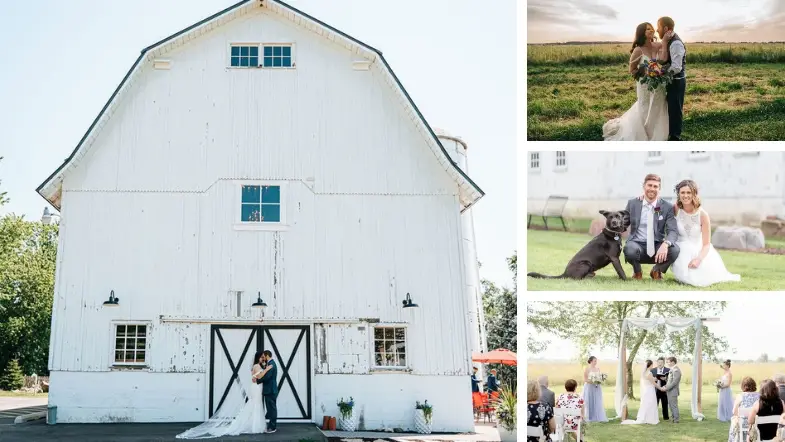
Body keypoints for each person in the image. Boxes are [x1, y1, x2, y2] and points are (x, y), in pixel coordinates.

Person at [176, 351, 269, 438]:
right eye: (261, 357)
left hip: (257, 386)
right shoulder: (256, 365)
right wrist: (266, 369)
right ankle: (254, 425)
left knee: (256, 404)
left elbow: (257, 376)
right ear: (258, 358)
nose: (263, 359)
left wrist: (264, 368)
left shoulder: (257, 365)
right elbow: (260, 376)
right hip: (256, 387)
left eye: (263, 358)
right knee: (255, 404)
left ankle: (253, 424)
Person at [602, 23, 669, 141]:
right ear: (642, 32)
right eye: (648, 29)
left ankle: (658, 134)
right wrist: (645, 74)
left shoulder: (657, 45)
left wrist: (664, 42)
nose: (652, 30)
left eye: (652, 28)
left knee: (659, 106)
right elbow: (632, 70)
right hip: (645, 85)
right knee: (645, 107)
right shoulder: (638, 50)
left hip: (658, 84)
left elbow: (663, 59)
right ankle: (644, 134)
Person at [669, 180, 741, 287]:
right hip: (680, 248)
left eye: (688, 193)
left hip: (698, 249)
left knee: (698, 279)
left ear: (694, 194)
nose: (685, 196)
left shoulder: (703, 215)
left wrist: (698, 259)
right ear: (678, 194)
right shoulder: (676, 209)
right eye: (682, 192)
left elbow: (707, 244)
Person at [624, 174, 680, 280]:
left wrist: (665, 244)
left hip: (657, 245)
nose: (652, 189)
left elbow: (672, 230)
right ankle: (637, 272)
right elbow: (624, 223)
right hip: (636, 244)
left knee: (675, 250)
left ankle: (656, 270)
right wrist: (610, 229)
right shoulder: (633, 203)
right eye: (649, 185)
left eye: (655, 186)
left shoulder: (667, 207)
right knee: (629, 249)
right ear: (644, 186)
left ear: (659, 189)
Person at [657, 17, 687, 141]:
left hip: (677, 81)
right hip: (671, 80)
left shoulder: (676, 43)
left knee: (675, 109)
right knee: (670, 108)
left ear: (665, 28)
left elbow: (676, 67)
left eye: (658, 27)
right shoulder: (668, 41)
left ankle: (675, 137)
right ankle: (670, 132)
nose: (657, 30)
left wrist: (661, 72)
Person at [621, 360, 660, 425]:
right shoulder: (649, 373)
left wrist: (657, 378)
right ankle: (650, 419)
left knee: (645, 404)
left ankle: (645, 418)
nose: (652, 366)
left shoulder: (644, 373)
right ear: (650, 365)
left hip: (646, 391)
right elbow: (653, 383)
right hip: (650, 391)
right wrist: (661, 388)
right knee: (650, 404)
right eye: (652, 365)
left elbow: (651, 379)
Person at [727, 377, 759, 442]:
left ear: (743, 386)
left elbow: (734, 411)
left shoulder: (740, 396)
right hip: (756, 422)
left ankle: (735, 439)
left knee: (734, 419)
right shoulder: (759, 395)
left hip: (743, 423)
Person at [256, 350, 278, 433]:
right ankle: (271, 425)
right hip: (270, 390)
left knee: (272, 409)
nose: (263, 358)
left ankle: (272, 427)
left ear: (267, 356)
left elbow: (267, 377)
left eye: (263, 356)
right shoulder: (270, 364)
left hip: (270, 390)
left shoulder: (271, 364)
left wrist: (258, 381)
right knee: (271, 409)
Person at [583, 356, 608, 422]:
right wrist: (592, 381)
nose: (596, 362)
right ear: (590, 361)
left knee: (597, 401)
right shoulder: (587, 368)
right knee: (589, 401)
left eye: (596, 361)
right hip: (589, 387)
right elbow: (585, 379)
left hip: (597, 387)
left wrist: (599, 380)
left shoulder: (598, 369)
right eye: (594, 361)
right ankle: (589, 416)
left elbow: (599, 378)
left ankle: (597, 416)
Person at [657, 356, 681, 423]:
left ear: (673, 362)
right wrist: (665, 380)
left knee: (674, 405)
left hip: (673, 391)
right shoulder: (672, 369)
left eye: (668, 362)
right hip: (669, 390)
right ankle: (673, 418)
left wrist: (666, 388)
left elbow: (674, 382)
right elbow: (670, 381)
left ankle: (676, 420)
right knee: (670, 405)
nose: (667, 363)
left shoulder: (676, 370)